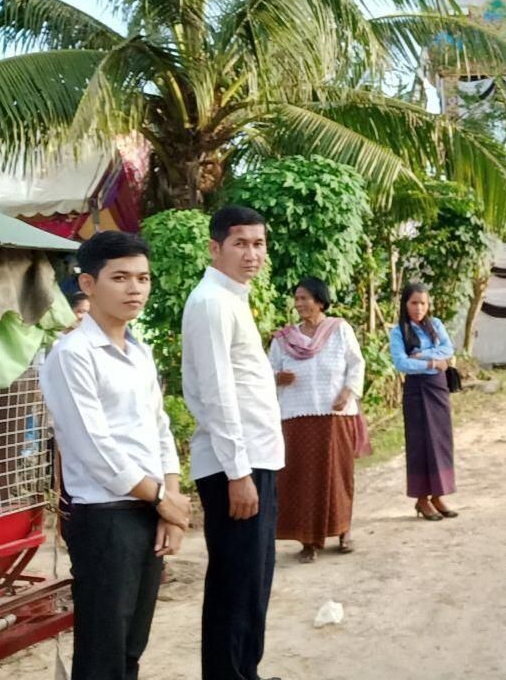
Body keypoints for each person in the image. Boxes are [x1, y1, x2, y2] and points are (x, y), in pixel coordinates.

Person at [40, 231, 191, 680]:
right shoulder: (72, 355)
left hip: (148, 509)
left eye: (143, 278)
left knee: (130, 647)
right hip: (105, 518)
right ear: (88, 284)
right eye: (120, 277)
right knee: (102, 652)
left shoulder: (139, 353)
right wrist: (161, 498)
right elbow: (94, 449)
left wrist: (170, 503)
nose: (135, 288)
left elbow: (159, 429)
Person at [182, 205, 285, 680]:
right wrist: (238, 472)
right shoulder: (211, 303)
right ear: (215, 247)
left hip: (254, 458)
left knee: (253, 581)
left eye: (258, 244)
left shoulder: (233, 298)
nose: (252, 254)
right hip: (233, 466)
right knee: (234, 582)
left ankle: (248, 672)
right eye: (240, 243)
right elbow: (217, 394)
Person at [270, 277, 365, 563]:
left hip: (335, 415)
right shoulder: (284, 339)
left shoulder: (339, 330)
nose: (299, 304)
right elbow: (265, 373)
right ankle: (308, 540)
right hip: (296, 418)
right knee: (302, 479)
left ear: (320, 301)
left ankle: (343, 531)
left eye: (304, 298)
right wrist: (278, 378)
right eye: (297, 299)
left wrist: (347, 393)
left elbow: (356, 363)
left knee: (338, 474)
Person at [390, 283, 457, 521]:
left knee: (441, 440)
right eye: (414, 303)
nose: (418, 308)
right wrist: (432, 363)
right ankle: (421, 499)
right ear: (405, 304)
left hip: (438, 388)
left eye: (423, 303)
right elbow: (402, 363)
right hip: (416, 390)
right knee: (419, 443)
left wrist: (422, 355)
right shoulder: (399, 332)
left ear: (428, 305)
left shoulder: (435, 325)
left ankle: (438, 496)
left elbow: (448, 349)